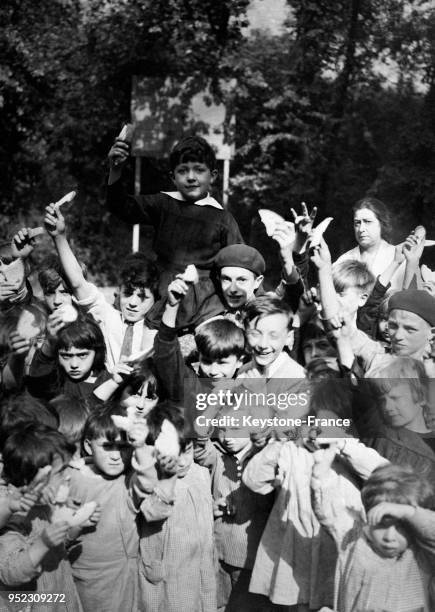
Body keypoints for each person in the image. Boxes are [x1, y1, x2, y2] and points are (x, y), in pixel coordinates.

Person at [243, 419, 388, 610]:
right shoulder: (290, 449)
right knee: (298, 603)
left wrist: (342, 443)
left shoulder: (348, 449)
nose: (314, 433)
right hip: (296, 545)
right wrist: (279, 443)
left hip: (337, 545)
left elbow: (386, 474)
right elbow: (253, 480)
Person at [106, 134, 244, 330]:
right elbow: (121, 207)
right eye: (183, 171)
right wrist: (116, 169)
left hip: (204, 307)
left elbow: (242, 263)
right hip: (161, 297)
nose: (191, 177)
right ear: (173, 177)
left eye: (199, 170)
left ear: (213, 175)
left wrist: (258, 301)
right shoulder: (164, 204)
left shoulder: (223, 219)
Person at [43, 204, 158, 372]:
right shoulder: (108, 317)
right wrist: (59, 237)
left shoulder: (156, 332)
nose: (133, 303)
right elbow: (78, 283)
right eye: (127, 294)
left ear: (155, 298)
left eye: (142, 297)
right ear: (118, 292)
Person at [311, 459, 435, 612]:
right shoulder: (354, 542)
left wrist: (409, 512)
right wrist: (322, 467)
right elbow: (329, 506)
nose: (390, 537)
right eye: (382, 525)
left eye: (402, 527)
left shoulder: (422, 556)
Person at [129, 401, 217, 612]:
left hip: (200, 568)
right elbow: (152, 512)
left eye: (186, 451)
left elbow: (200, 511)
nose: (182, 461)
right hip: (166, 574)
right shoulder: (149, 478)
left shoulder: (200, 473)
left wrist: (213, 509)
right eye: (172, 454)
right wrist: (167, 478)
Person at [194, 402, 274, 612]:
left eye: (236, 429)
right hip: (216, 552)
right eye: (223, 429)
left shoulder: (262, 461)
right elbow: (199, 441)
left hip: (249, 558)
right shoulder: (218, 457)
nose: (228, 437)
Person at [0, 425, 88, 611]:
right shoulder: (12, 518)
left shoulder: (44, 504)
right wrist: (42, 544)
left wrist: (75, 524)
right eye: (60, 472)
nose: (67, 477)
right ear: (31, 478)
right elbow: (11, 572)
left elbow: (58, 545)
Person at [66, 403, 139, 612]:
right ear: (88, 446)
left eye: (123, 447)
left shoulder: (131, 478)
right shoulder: (73, 479)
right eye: (107, 447)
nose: (116, 456)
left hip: (125, 576)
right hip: (85, 575)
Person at [27, 313, 110, 401]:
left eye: (82, 355)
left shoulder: (110, 383)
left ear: (96, 353)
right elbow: (36, 381)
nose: (74, 364)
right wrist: (50, 343)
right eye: (66, 356)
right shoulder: (54, 381)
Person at [335, 197, 405, 290]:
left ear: (381, 224)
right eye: (357, 223)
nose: (361, 229)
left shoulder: (397, 257)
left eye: (367, 222)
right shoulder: (344, 260)